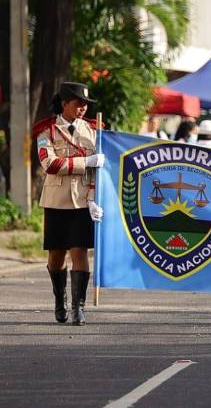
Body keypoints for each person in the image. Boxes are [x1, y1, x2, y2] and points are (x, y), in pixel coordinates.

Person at [34, 82, 105, 325]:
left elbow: (99, 171)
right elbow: (50, 164)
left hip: (83, 201)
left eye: (86, 104)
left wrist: (95, 198)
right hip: (56, 201)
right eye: (79, 103)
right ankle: (59, 298)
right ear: (64, 103)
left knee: (79, 251)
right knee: (56, 256)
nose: (83, 108)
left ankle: (78, 308)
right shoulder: (47, 131)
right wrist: (87, 162)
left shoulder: (94, 131)